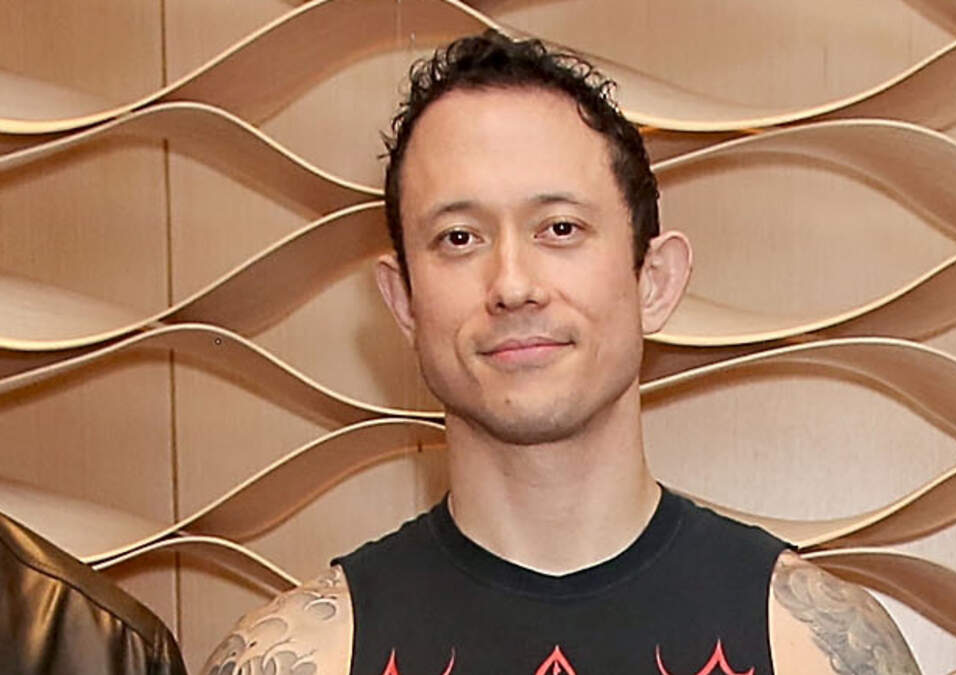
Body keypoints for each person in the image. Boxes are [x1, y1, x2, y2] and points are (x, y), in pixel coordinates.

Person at [201, 30, 920, 675]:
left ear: (654, 281)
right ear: (404, 303)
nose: (513, 285)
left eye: (561, 228)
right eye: (459, 238)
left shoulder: (809, 647)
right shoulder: (303, 657)